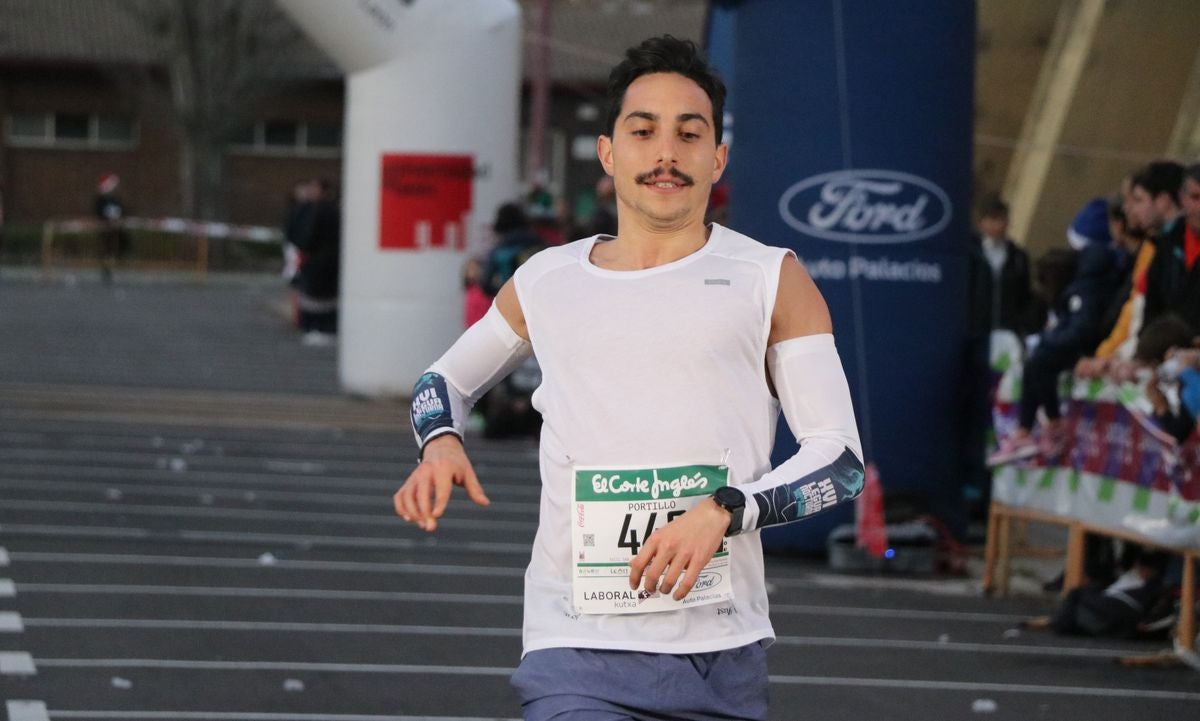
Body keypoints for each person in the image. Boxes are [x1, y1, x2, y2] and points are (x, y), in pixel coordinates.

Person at [395, 35, 864, 721]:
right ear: (609, 154)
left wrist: (727, 510)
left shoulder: (771, 279)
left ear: (718, 157)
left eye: (689, 133)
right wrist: (439, 441)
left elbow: (842, 462)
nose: (666, 153)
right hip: (574, 645)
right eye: (643, 131)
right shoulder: (548, 279)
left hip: (721, 653)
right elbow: (445, 380)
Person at [292, 179, 340, 345]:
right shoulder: (335, 209)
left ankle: (315, 327)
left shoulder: (316, 210)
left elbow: (306, 234)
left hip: (318, 260)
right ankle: (328, 327)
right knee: (328, 295)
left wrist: (304, 248)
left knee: (314, 294)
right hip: (331, 260)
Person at [94, 172, 130, 284]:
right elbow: (99, 212)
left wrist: (120, 220)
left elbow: (122, 211)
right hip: (106, 228)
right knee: (107, 249)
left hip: (117, 228)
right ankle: (106, 269)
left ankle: (118, 262)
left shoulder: (115, 199)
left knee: (121, 243)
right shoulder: (101, 200)